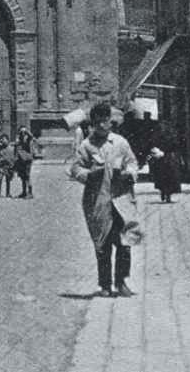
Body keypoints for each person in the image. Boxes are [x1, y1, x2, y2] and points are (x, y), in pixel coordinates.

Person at [69, 100, 142, 297]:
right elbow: (75, 168)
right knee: (102, 244)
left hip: (121, 199)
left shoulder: (120, 143)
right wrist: (88, 175)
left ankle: (121, 282)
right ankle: (105, 285)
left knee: (124, 242)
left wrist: (129, 173)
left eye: (106, 121)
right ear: (93, 123)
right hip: (98, 201)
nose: (102, 125)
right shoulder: (86, 146)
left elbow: (133, 162)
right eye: (98, 121)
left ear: (110, 121)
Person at [149, 122, 183, 203]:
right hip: (170, 158)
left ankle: (164, 192)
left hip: (161, 158)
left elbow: (152, 144)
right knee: (170, 177)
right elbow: (177, 145)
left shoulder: (157, 134)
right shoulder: (173, 134)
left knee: (162, 177)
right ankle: (168, 194)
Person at [14, 125, 36, 198]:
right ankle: (24, 192)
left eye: (24, 132)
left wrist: (26, 131)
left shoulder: (27, 139)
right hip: (20, 159)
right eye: (21, 132)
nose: (22, 133)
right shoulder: (18, 140)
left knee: (27, 176)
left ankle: (30, 193)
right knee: (22, 176)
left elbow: (31, 136)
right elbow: (16, 150)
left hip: (27, 160)